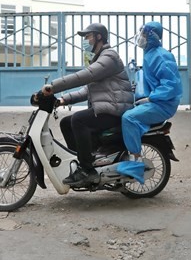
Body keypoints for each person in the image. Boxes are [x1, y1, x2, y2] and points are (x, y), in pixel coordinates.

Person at [41, 23, 134, 186]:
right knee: (66, 122)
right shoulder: (100, 59)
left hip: (115, 109)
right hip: (108, 108)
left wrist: (53, 86)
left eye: (88, 36)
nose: (86, 40)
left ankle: (87, 170)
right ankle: (86, 160)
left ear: (99, 37)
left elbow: (84, 76)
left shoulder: (109, 57)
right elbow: (87, 90)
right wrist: (63, 100)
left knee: (78, 119)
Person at [119, 21, 183, 183]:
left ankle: (137, 163)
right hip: (155, 101)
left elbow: (172, 85)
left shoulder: (161, 56)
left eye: (144, 34)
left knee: (129, 118)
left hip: (162, 105)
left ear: (152, 36)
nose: (140, 37)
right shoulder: (150, 54)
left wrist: (152, 97)